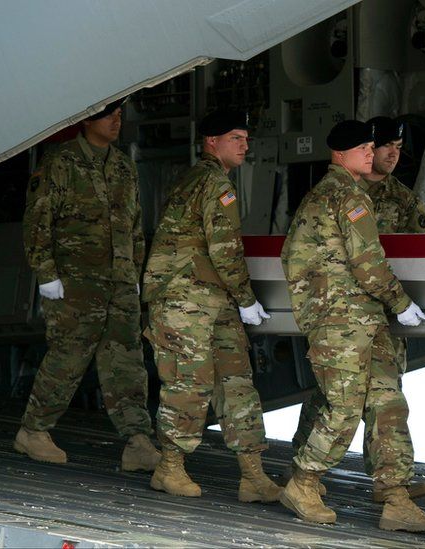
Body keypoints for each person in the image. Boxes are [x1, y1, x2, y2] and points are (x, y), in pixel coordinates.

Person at [280, 120, 425, 532]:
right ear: (341, 154)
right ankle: (303, 481)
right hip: (342, 320)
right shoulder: (346, 197)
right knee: (345, 407)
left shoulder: (341, 194)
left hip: (363, 319)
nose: (371, 153)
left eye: (372, 147)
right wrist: (401, 303)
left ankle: (395, 496)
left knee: (387, 402)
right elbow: (367, 263)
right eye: (364, 148)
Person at [142, 110, 281, 504]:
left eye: (246, 138)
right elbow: (225, 249)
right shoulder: (215, 183)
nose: (244, 145)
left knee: (236, 380)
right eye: (235, 137)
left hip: (209, 298)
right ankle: (169, 467)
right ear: (211, 142)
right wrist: (247, 298)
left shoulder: (199, 179)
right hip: (187, 299)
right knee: (191, 382)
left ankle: (252, 474)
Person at [16, 98, 160, 472]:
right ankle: (34, 430)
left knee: (127, 361)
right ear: (87, 119)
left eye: (119, 114)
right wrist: (46, 274)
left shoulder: (124, 168)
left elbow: (135, 228)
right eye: (109, 114)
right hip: (75, 286)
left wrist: (136, 275)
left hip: (120, 285)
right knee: (68, 357)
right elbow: (37, 222)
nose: (116, 120)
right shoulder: (60, 163)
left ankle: (137, 440)